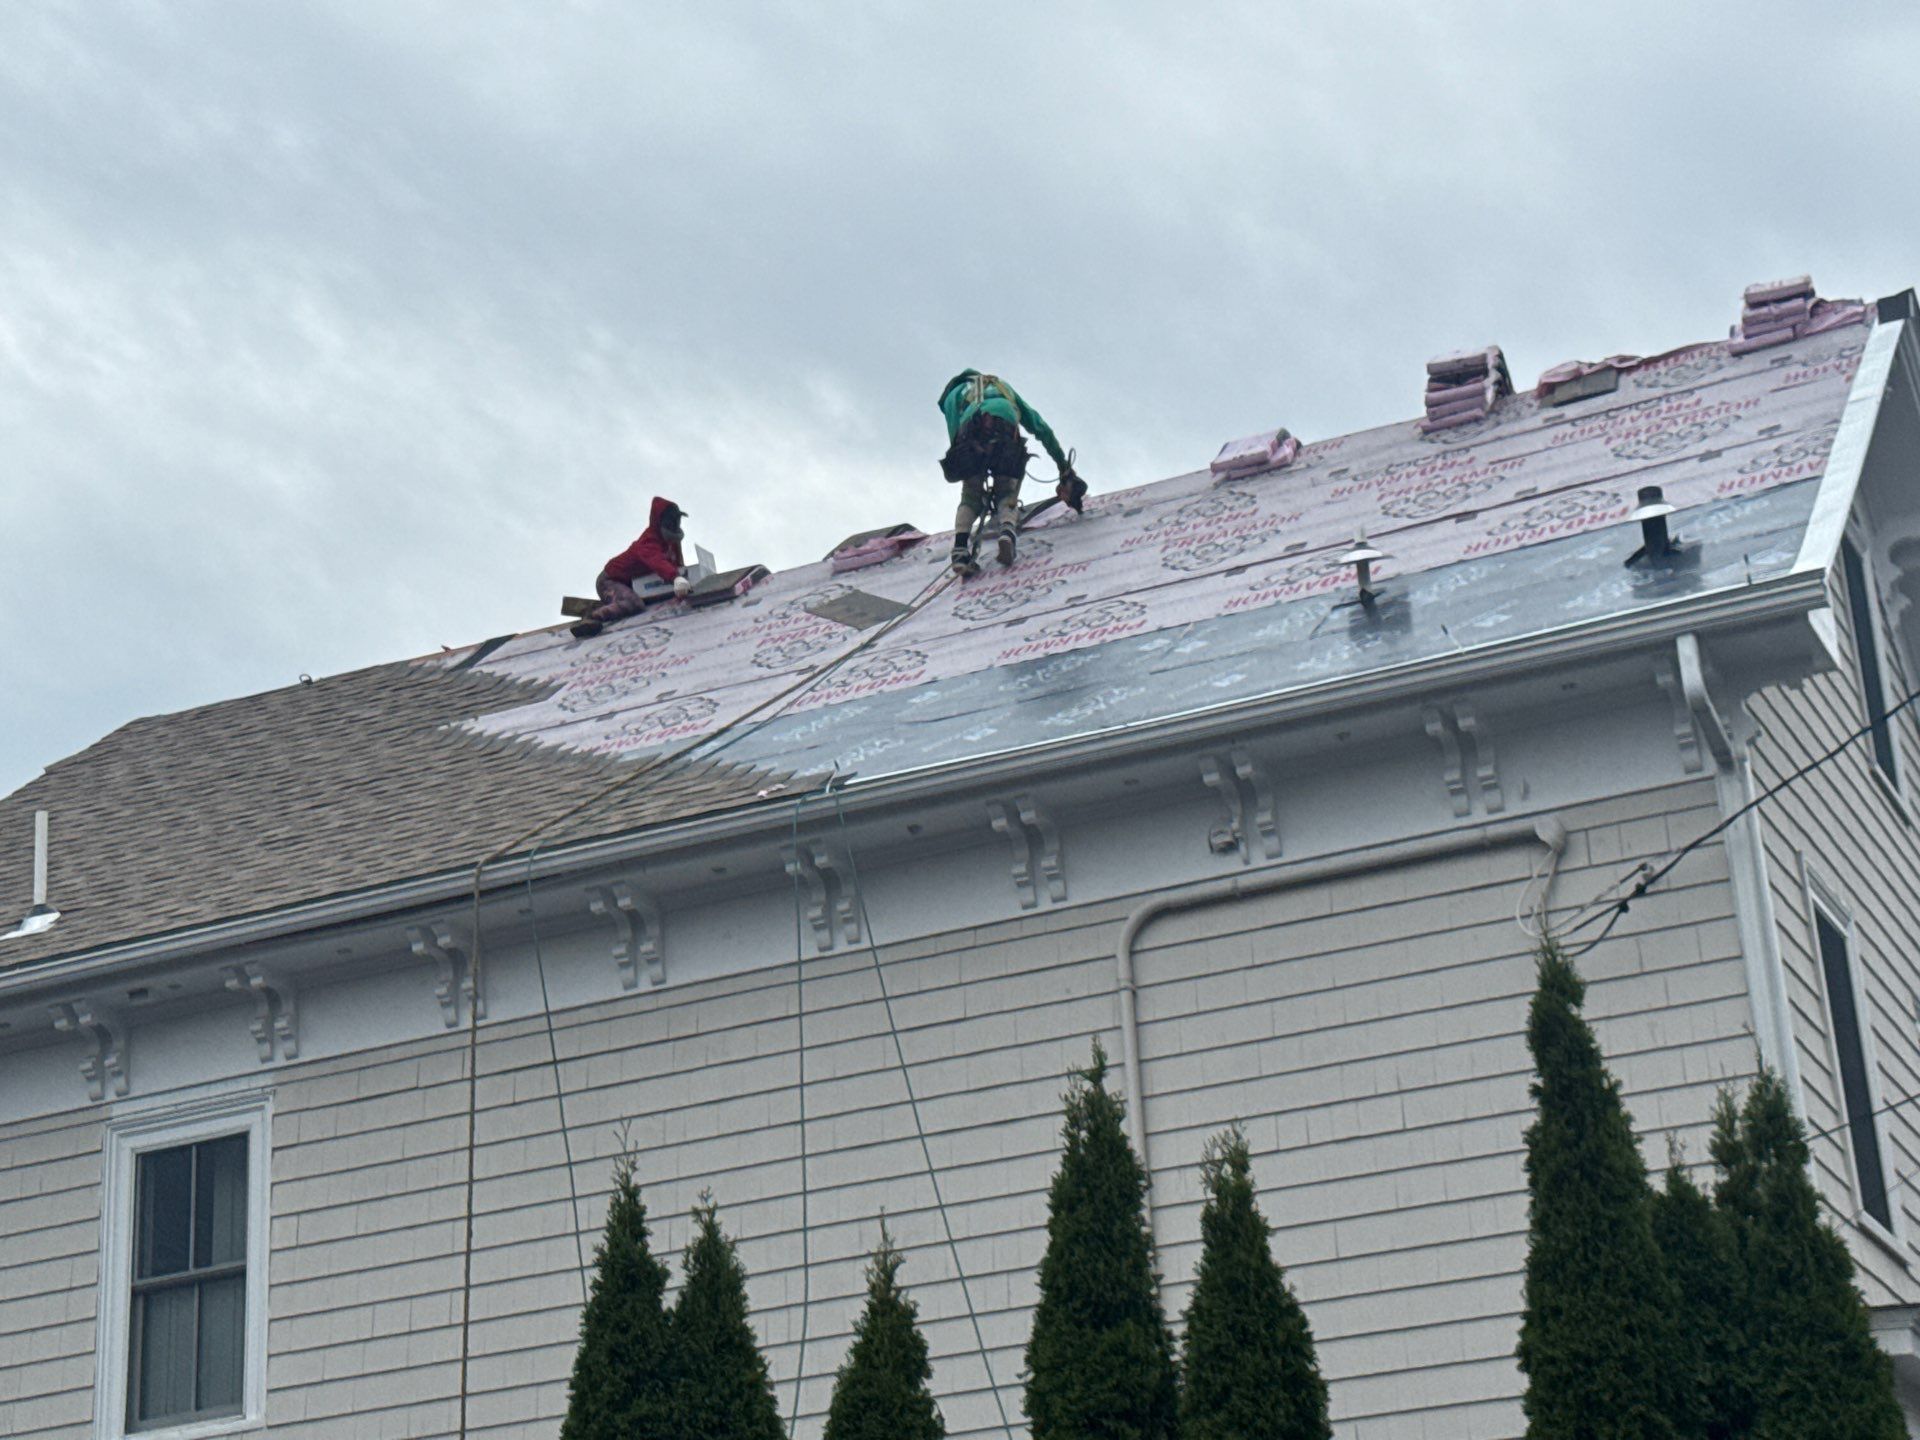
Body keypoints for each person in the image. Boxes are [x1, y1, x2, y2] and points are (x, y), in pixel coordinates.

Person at [937, 369, 1082, 571]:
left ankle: (960, 552)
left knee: (970, 493)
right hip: (1004, 425)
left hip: (971, 429)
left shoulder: (954, 395)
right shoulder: (1001, 385)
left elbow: (955, 439)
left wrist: (970, 470)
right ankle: (1007, 531)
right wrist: (1063, 466)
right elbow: (1040, 427)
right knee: (1006, 487)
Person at [569, 497, 691, 639]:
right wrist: (675, 577)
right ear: (660, 522)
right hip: (610, 581)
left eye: (677, 521)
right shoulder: (648, 543)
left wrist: (682, 576)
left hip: (634, 584)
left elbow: (675, 563)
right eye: (671, 521)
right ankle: (593, 616)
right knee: (634, 604)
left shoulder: (670, 541)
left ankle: (613, 604)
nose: (675, 525)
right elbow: (659, 562)